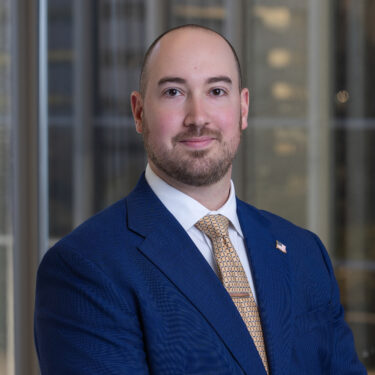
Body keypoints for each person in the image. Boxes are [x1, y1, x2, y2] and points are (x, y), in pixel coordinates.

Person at [34, 24, 367, 375]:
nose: (198, 118)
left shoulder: (303, 252)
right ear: (138, 112)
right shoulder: (85, 268)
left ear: (243, 109)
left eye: (217, 91)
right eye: (174, 92)